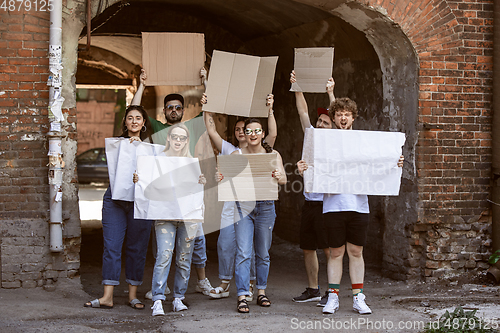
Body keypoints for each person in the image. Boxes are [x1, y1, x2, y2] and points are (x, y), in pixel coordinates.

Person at [297, 97, 404, 315]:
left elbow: (379, 163)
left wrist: (395, 162)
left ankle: (358, 297)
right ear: (334, 118)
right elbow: (311, 166)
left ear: (353, 117)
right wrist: (304, 168)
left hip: (358, 205)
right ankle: (333, 297)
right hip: (333, 206)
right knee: (336, 252)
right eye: (339, 114)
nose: (343, 118)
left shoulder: (364, 142)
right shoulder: (323, 143)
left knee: (356, 251)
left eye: (347, 114)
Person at [132, 69, 214, 298]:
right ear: (164, 110)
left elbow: (209, 110)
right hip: (164, 197)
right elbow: (135, 112)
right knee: (162, 247)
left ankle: (201, 281)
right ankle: (163, 286)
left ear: (184, 111)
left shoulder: (192, 127)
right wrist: (141, 86)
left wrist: (205, 82)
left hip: (187, 195)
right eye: (171, 107)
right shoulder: (157, 128)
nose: (175, 111)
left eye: (179, 108)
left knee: (196, 241)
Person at [201, 93, 277, 300]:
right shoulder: (230, 150)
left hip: (260, 205)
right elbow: (211, 130)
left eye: (248, 130)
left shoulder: (266, 149)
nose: (244, 133)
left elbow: (273, 133)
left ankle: (251, 286)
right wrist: (208, 106)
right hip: (234, 205)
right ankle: (226, 284)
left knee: (252, 249)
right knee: (227, 245)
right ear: (235, 133)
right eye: (239, 129)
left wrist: (270, 109)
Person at [84, 105, 154, 310]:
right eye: (130, 118)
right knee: (111, 247)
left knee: (137, 248)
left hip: (140, 201)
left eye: (138, 118)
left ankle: (133, 296)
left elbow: (158, 175)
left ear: (143, 123)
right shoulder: (116, 145)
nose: (133, 121)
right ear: (124, 122)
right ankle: (107, 296)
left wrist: (141, 148)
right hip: (114, 200)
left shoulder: (151, 146)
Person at [133, 123, 207, 315]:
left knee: (184, 258)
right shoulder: (158, 161)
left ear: (187, 141)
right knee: (164, 255)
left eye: (182, 138)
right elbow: (148, 182)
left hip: (187, 216)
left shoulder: (192, 162)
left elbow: (198, 188)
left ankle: (178, 298)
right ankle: (158, 299)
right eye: (175, 136)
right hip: (164, 215)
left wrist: (202, 182)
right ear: (168, 138)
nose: (178, 141)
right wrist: (139, 179)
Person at [218, 118, 287, 313]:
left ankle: (261, 292)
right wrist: (220, 177)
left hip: (266, 207)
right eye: (249, 131)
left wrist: (278, 176)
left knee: (263, 252)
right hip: (243, 207)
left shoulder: (272, 154)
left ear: (263, 134)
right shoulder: (236, 154)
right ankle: (242, 295)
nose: (253, 134)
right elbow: (225, 180)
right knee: (243, 252)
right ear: (245, 135)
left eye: (257, 131)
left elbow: (283, 179)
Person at [290, 70, 334, 306]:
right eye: (320, 121)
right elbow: (302, 111)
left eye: (325, 122)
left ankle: (330, 291)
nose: (320, 123)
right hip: (310, 201)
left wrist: (331, 93)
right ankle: (313, 289)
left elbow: (337, 114)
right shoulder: (311, 135)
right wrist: (297, 86)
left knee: (328, 250)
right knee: (308, 248)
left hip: (326, 203)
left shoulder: (337, 141)